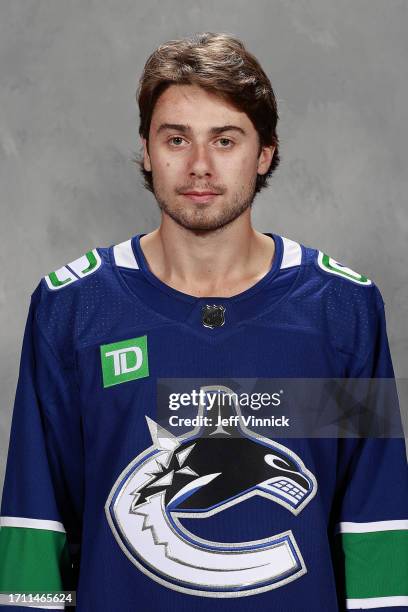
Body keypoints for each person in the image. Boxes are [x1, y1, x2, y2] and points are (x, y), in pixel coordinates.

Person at [0, 32, 407, 612]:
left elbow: (377, 521)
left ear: (264, 152)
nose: (198, 166)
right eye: (176, 139)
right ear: (146, 149)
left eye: (225, 140)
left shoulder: (341, 309)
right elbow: (36, 526)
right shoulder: (74, 308)